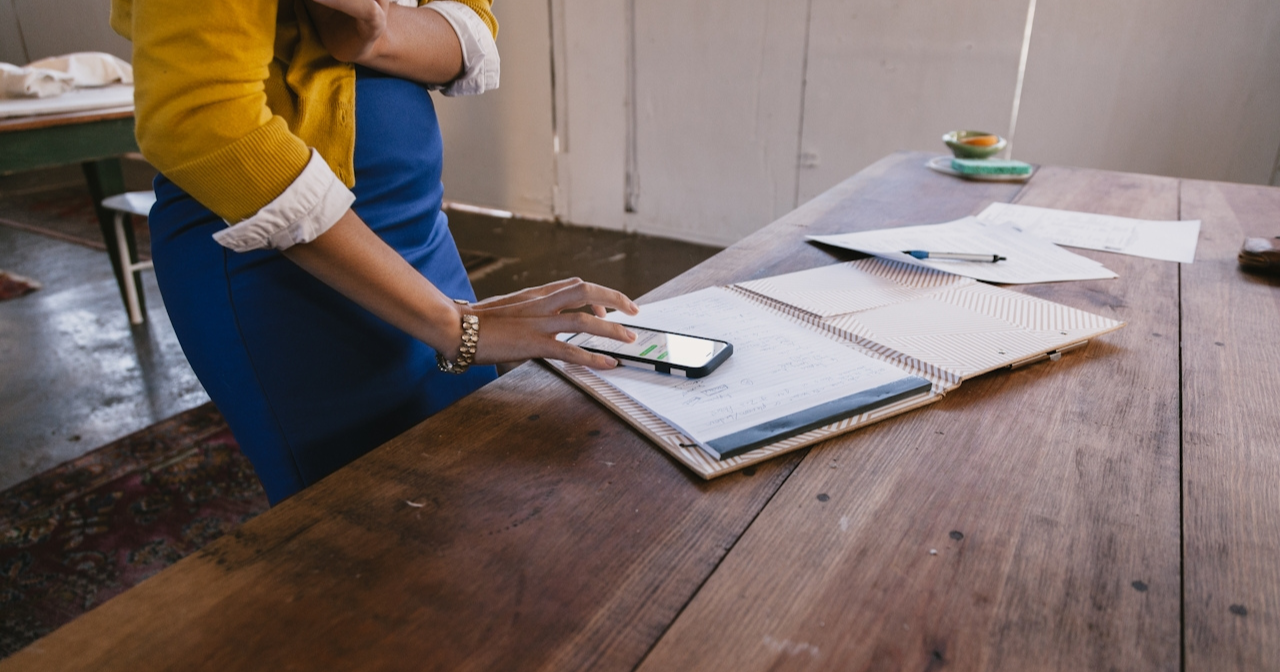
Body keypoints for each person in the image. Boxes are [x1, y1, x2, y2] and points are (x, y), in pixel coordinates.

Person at [111, 0, 639, 504]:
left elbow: (470, 25)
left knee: (475, 489)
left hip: (420, 233)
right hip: (277, 258)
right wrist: (453, 327)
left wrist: (378, 34)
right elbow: (200, 118)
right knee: (369, 534)